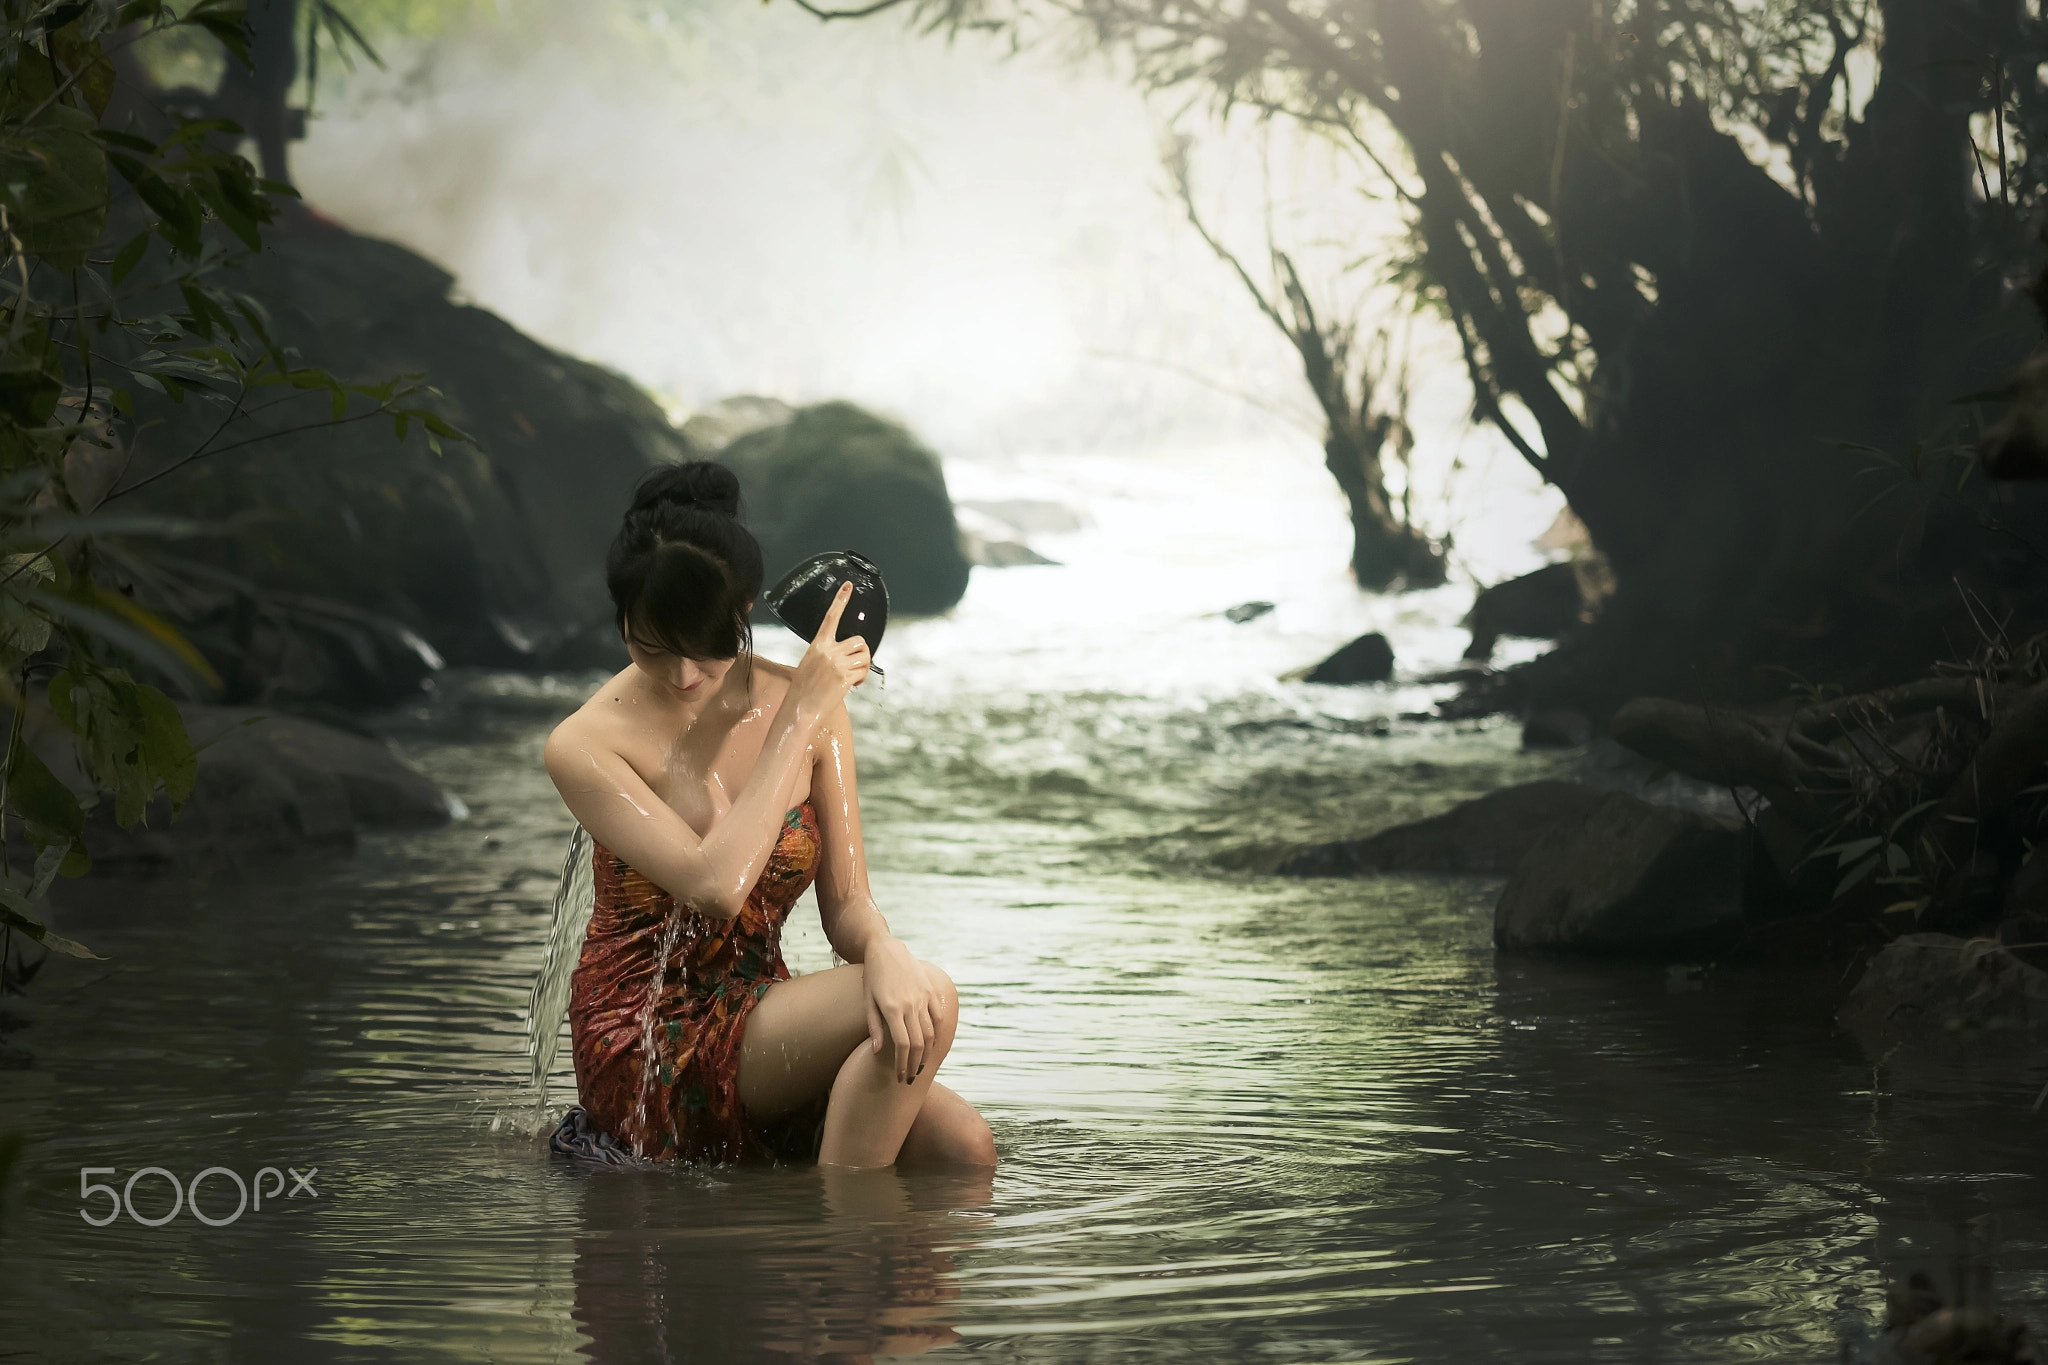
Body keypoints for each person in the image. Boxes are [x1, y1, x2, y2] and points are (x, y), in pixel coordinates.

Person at [544, 460, 996, 1169]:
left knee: (964, 1150)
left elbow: (847, 905)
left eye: (706, 646)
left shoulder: (811, 704)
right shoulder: (584, 743)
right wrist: (800, 714)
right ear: (621, 620)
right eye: (652, 647)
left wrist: (883, 949)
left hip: (760, 1014)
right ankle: (836, 1239)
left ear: (743, 607)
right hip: (646, 1034)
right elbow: (714, 883)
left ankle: (843, 1224)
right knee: (930, 999)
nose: (685, 675)